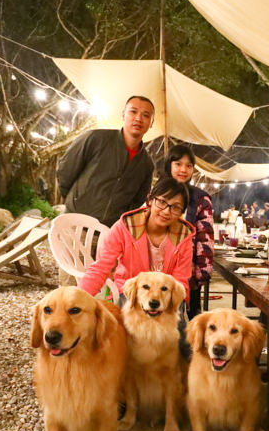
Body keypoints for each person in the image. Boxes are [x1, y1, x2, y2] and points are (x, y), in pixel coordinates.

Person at [78, 177, 194, 303]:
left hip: (164, 297)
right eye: (162, 202)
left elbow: (180, 281)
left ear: (182, 212)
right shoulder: (125, 227)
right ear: (150, 200)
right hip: (130, 293)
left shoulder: (184, 236)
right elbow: (100, 268)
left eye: (175, 207)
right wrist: (77, 299)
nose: (166, 211)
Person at [57, 95, 156, 229]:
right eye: (133, 112)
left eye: (146, 115)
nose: (138, 118)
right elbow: (66, 171)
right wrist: (75, 202)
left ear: (151, 123)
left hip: (107, 232)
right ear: (123, 115)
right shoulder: (95, 139)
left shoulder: (146, 164)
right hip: (73, 222)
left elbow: (138, 200)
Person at [163, 144, 213, 319]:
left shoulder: (201, 199)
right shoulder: (157, 195)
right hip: (159, 269)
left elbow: (205, 237)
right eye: (178, 164)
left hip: (188, 271)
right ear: (169, 165)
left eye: (189, 165)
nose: (183, 170)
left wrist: (202, 272)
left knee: (192, 319)